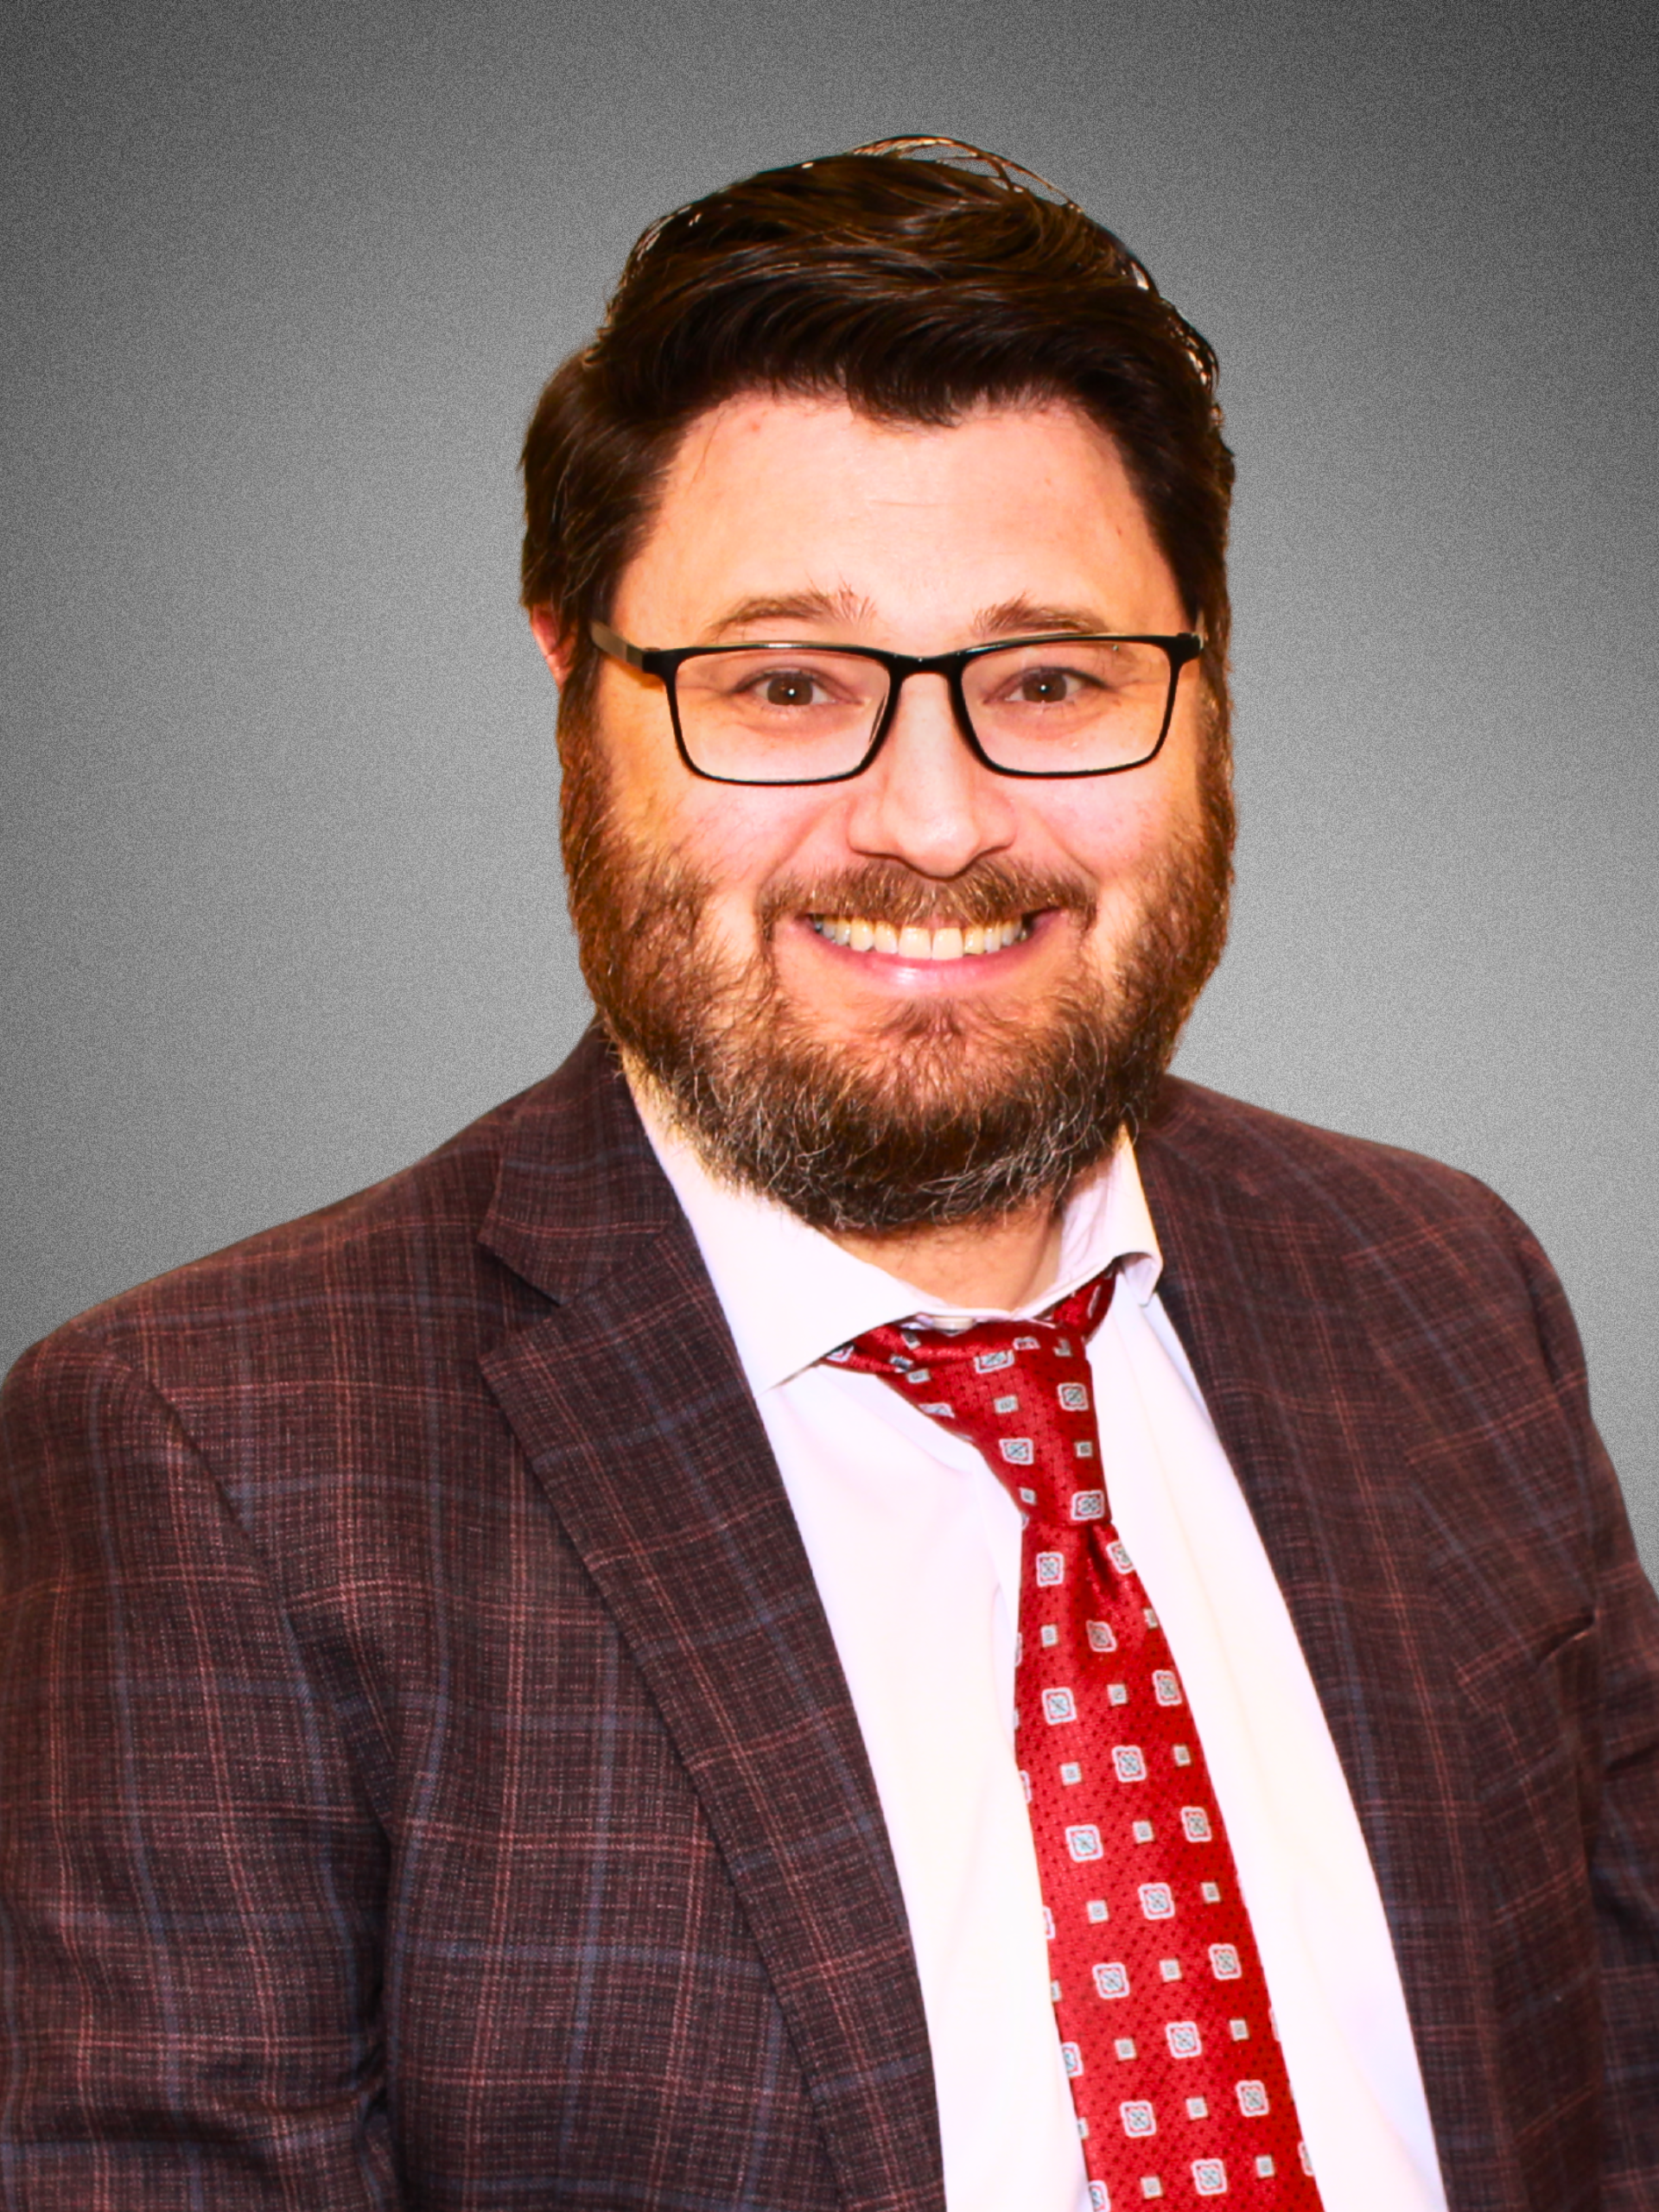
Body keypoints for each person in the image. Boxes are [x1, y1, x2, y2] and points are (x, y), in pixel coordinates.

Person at [1, 138, 1654, 2212]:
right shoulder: (212, 1457)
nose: (936, 821)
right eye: (786, 687)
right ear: (574, 693)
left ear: (1205, 693)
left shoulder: (1446, 1285)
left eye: (1051, 679)